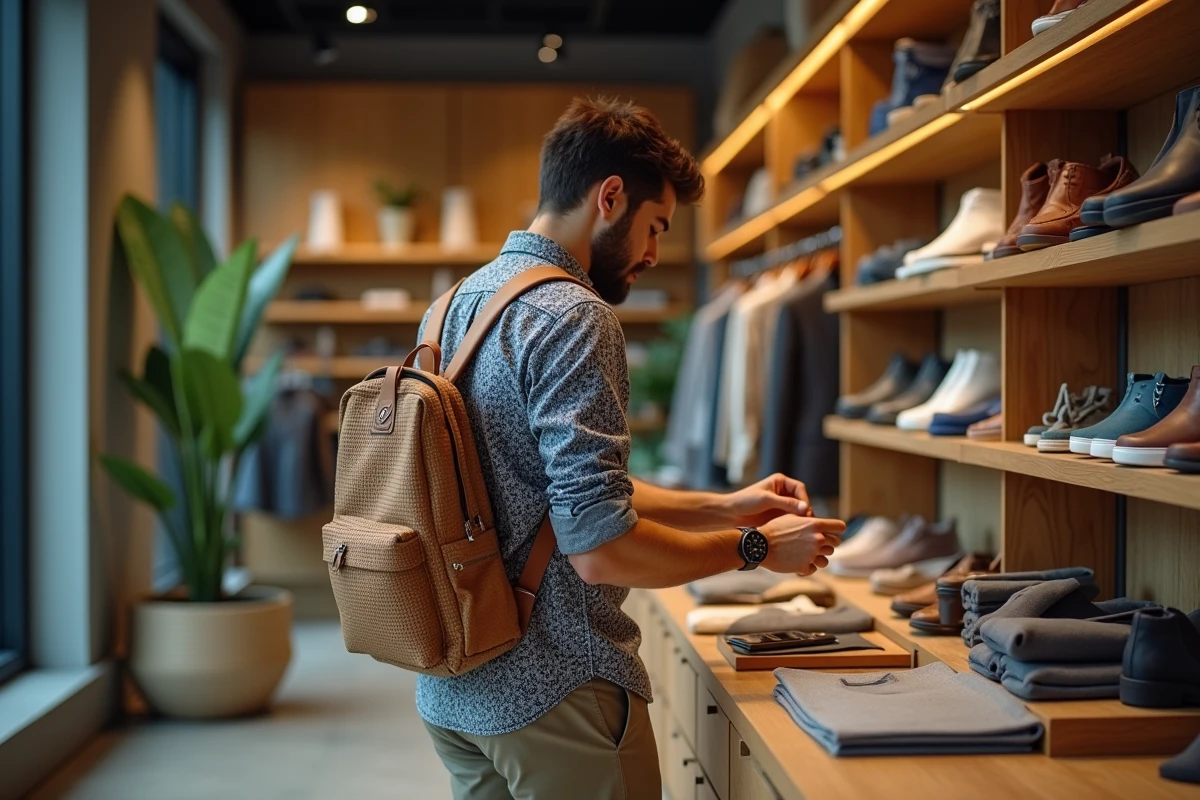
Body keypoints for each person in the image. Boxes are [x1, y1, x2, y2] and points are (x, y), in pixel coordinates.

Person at [417, 96, 845, 800]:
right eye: (655, 228)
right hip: (556, 693)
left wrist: (724, 509)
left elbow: (551, 488)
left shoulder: (457, 303)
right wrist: (760, 551)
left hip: (454, 685)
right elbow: (599, 548)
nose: (653, 253)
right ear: (609, 196)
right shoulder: (575, 315)